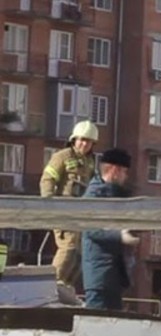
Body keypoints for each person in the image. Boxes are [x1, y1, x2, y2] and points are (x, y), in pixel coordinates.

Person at [40, 120, 98, 290]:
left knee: (80, 255)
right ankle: (49, 287)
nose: (84, 144)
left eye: (88, 141)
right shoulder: (62, 156)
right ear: (74, 139)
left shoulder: (90, 162)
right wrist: (48, 204)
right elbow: (47, 179)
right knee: (69, 248)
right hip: (64, 212)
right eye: (81, 139)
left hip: (81, 215)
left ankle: (65, 287)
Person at [81, 148, 139, 310]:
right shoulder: (94, 195)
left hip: (111, 271)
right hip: (99, 274)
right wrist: (120, 236)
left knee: (113, 322)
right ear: (114, 170)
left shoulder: (113, 194)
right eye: (124, 172)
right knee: (97, 322)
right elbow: (91, 228)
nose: (125, 177)